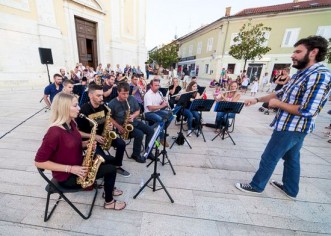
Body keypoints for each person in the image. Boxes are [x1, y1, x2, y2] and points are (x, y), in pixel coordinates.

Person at [235, 36, 331, 199]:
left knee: (269, 156)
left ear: (313, 52)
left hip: (292, 127)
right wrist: (257, 99)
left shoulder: (319, 75)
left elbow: (308, 110)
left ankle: (256, 185)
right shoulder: (301, 73)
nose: (293, 55)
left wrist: (278, 104)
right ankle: (290, 189)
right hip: (291, 126)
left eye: (298, 51)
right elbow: (279, 93)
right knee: (292, 157)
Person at [35, 93, 126, 210]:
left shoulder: (71, 123)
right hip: (67, 176)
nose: (79, 108)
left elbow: (69, 145)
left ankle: (108, 189)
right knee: (111, 169)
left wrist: (85, 144)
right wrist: (71, 169)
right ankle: (109, 202)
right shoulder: (54, 132)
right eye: (75, 105)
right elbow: (39, 162)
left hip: (79, 164)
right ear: (64, 108)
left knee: (111, 161)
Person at [76, 84, 130, 177]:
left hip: (103, 136)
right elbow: (77, 133)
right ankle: (104, 171)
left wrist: (109, 125)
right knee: (103, 158)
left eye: (102, 95)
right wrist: (95, 137)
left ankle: (117, 165)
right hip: (91, 140)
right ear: (90, 95)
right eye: (98, 95)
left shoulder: (103, 106)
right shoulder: (84, 110)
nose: (101, 98)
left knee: (121, 143)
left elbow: (106, 119)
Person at [108, 82, 154, 163]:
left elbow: (138, 110)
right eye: (123, 94)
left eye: (127, 93)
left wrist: (133, 116)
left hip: (134, 122)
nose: (126, 96)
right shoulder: (112, 103)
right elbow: (109, 117)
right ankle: (135, 155)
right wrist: (118, 127)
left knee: (151, 131)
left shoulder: (131, 99)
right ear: (118, 92)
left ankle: (148, 152)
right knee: (139, 134)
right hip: (123, 127)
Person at [144, 79, 172, 147]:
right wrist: (162, 105)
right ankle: (161, 138)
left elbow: (160, 103)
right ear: (151, 86)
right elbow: (150, 108)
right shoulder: (148, 94)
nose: (157, 87)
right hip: (149, 113)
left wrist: (164, 102)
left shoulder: (159, 93)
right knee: (161, 119)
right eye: (155, 85)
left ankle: (160, 131)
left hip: (157, 111)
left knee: (170, 115)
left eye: (158, 85)